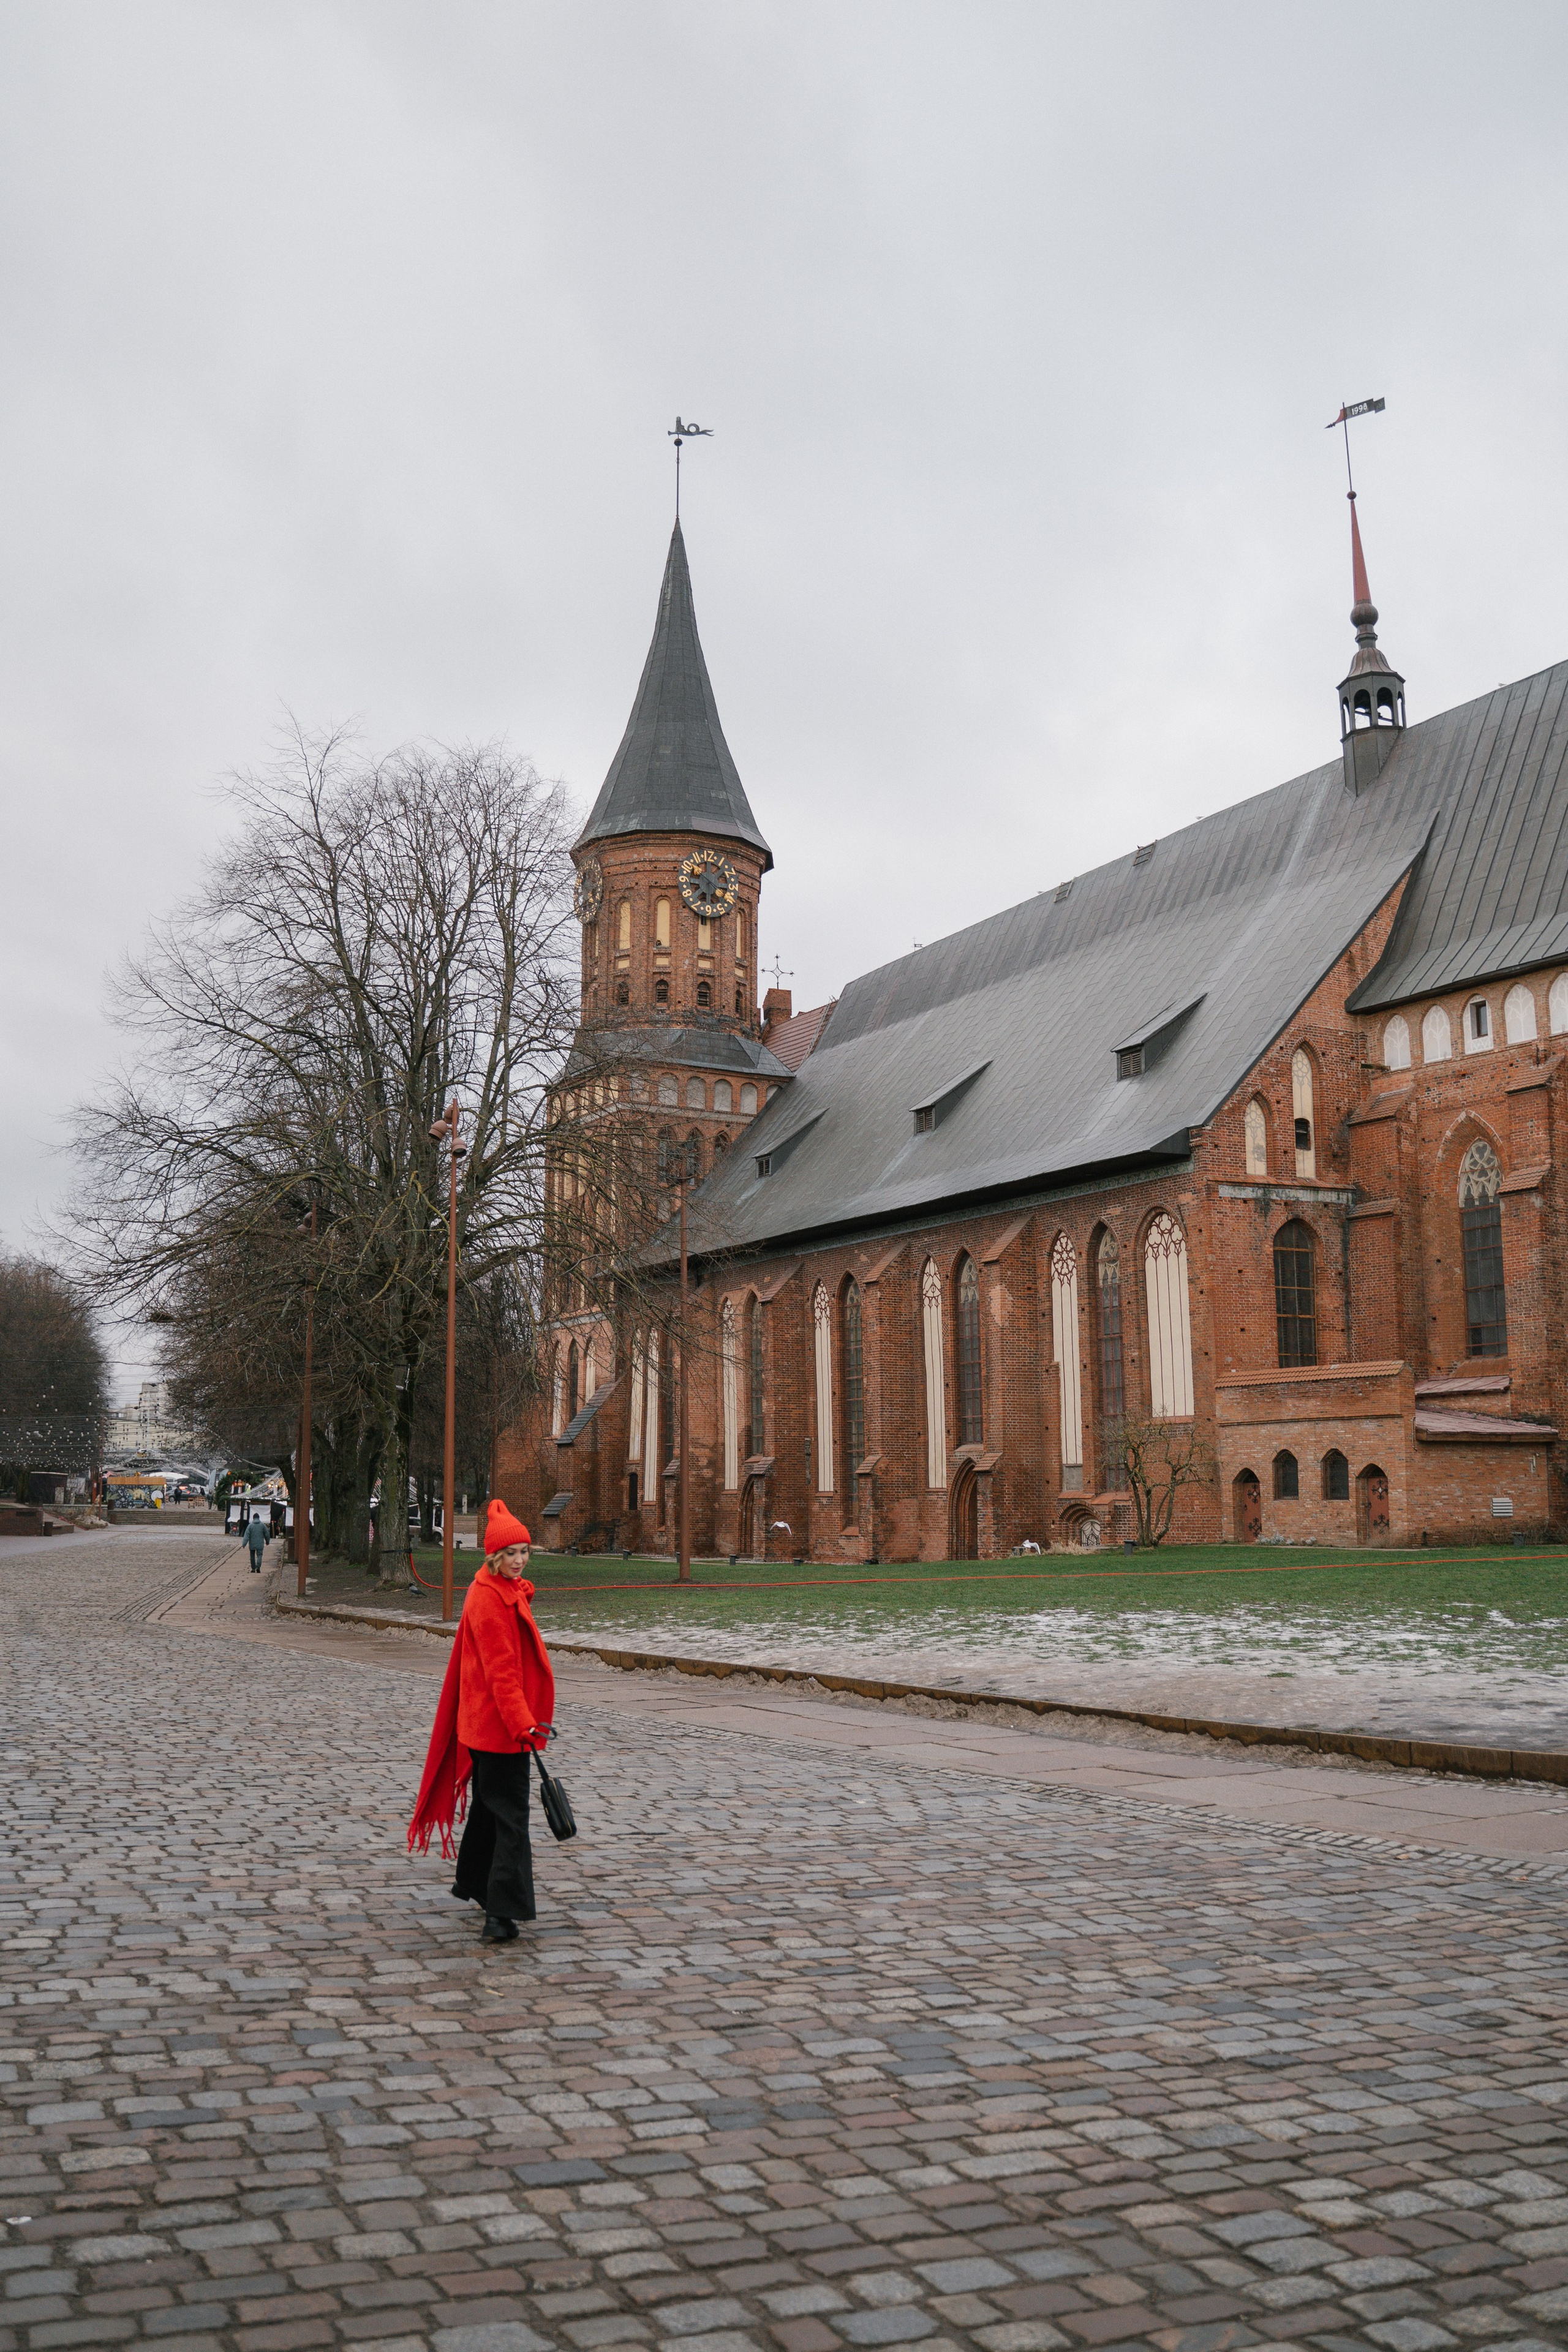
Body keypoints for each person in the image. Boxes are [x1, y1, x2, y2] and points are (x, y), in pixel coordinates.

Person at [408, 1499, 555, 1945]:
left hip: (487, 1726)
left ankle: (474, 1881)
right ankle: (501, 1913)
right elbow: (500, 1671)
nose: (519, 1561)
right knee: (511, 1818)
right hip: (499, 1729)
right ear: (494, 1556)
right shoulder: (489, 1597)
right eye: (511, 1554)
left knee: (491, 1811)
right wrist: (522, 1724)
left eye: (524, 1552)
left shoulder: (496, 1589)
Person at [244, 1509, 268, 1574]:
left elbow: (247, 1535)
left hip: (252, 1544)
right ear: (259, 1518)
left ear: (253, 1518)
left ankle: (253, 1568)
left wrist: (244, 1544)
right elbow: (267, 1534)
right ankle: (258, 1567)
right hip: (260, 1544)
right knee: (259, 1556)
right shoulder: (263, 1525)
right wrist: (267, 1541)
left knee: (252, 1556)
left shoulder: (250, 1526)